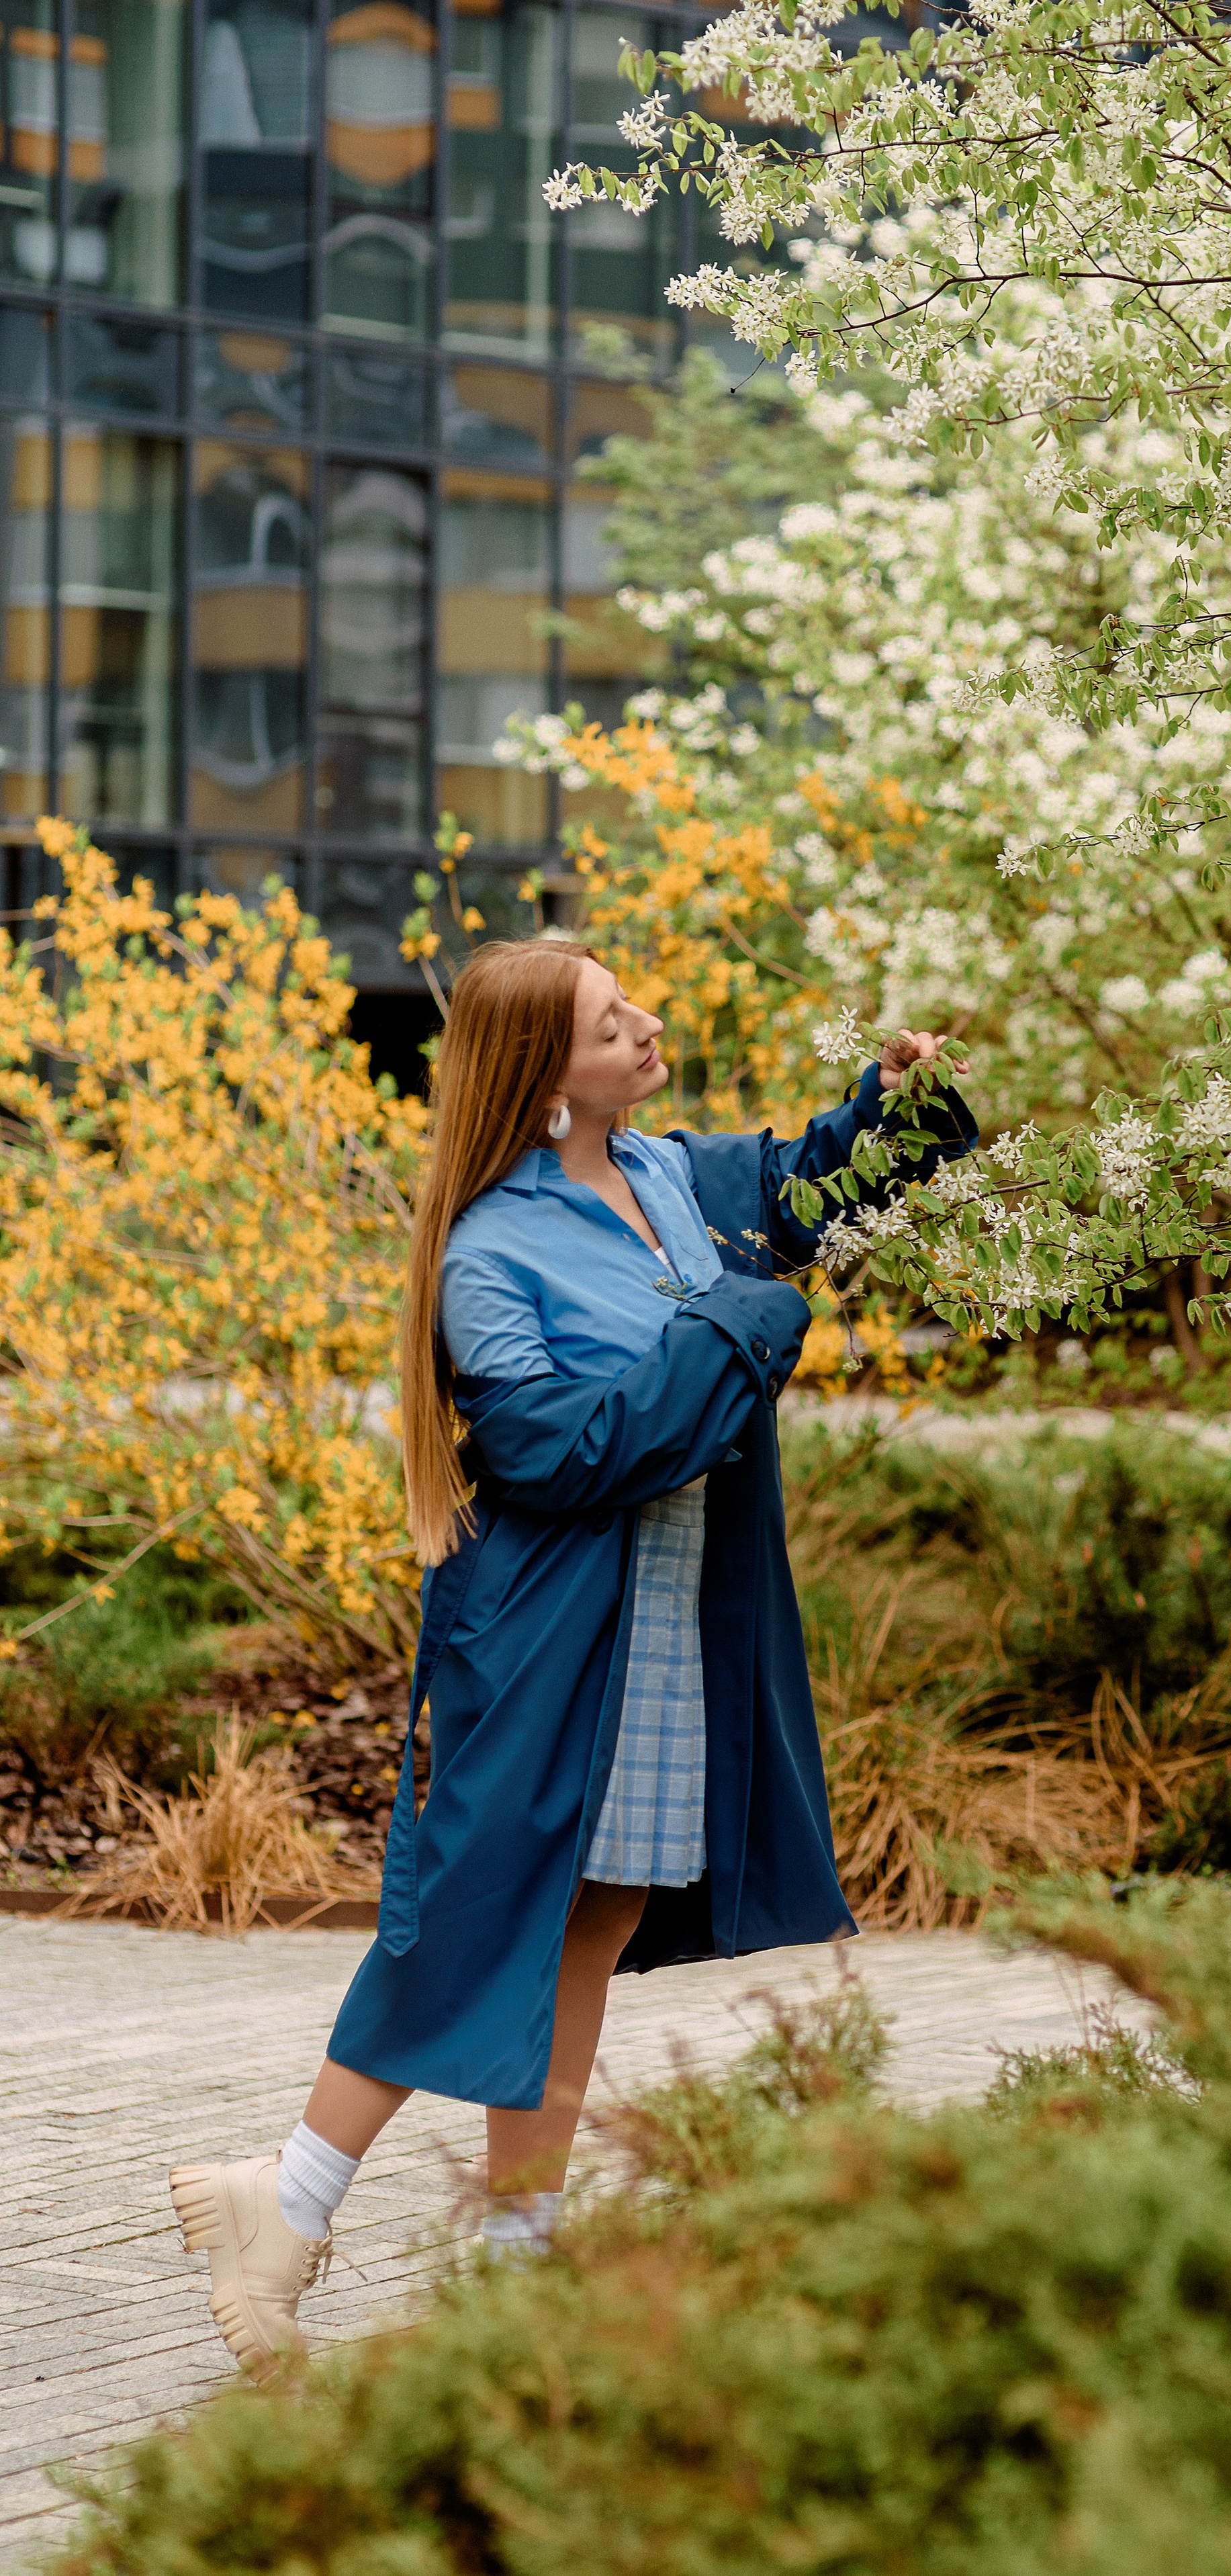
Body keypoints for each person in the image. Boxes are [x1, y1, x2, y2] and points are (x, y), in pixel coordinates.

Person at [168, 934, 976, 2372]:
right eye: (615, 1023)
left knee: (585, 1924)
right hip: (544, 1637)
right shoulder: (489, 1254)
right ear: (547, 1081)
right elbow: (566, 1452)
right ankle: (283, 2199)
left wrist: (896, 1108)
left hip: (663, 1620)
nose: (648, 1023)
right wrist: (742, 1323)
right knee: (484, 1916)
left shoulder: (662, 1175)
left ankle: (515, 2253)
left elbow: (795, 1190)